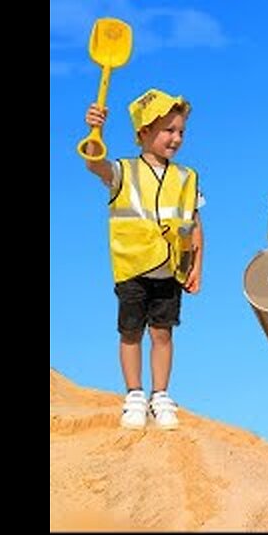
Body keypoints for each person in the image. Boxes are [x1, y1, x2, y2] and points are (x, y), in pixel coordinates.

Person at [81, 89, 204, 430]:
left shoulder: (187, 177)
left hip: (171, 269)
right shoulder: (123, 171)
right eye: (169, 130)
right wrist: (96, 131)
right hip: (132, 267)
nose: (176, 138)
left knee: (163, 333)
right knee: (131, 332)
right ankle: (134, 394)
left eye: (181, 131)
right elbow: (94, 163)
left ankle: (160, 395)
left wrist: (197, 264)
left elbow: (194, 222)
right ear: (144, 132)